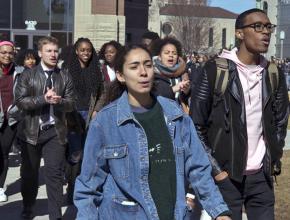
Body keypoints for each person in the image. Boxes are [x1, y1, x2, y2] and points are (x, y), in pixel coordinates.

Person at [74, 44, 231, 220]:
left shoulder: (176, 115)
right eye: (134, 67)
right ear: (120, 75)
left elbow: (199, 168)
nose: (143, 72)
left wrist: (219, 211)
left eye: (148, 65)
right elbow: (88, 186)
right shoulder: (105, 122)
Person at [190, 8, 289, 220]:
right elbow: (196, 125)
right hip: (226, 177)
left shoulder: (273, 73)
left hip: (261, 177)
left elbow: (281, 121)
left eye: (268, 27)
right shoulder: (215, 70)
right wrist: (217, 170)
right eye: (257, 26)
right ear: (239, 33)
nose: (266, 32)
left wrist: (272, 157)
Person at [15, 36, 75, 219]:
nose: (53, 54)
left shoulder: (64, 75)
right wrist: (43, 99)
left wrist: (59, 102)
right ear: (40, 53)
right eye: (49, 51)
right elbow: (20, 101)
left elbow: (72, 103)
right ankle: (28, 207)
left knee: (54, 175)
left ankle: (55, 215)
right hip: (30, 132)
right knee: (29, 175)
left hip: (54, 132)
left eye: (56, 51)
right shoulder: (27, 75)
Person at [62, 37, 103, 204]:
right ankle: (71, 188)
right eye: (83, 50)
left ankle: (83, 188)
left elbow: (102, 93)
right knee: (75, 154)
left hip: (90, 115)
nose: (86, 53)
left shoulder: (96, 69)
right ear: (77, 51)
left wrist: (97, 111)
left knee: (88, 155)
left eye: (89, 50)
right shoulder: (67, 69)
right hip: (73, 115)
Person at [0, 40, 18, 202]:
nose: (7, 55)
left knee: (4, 154)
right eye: (3, 52)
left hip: (10, 120)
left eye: (9, 53)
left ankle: (0, 187)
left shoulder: (17, 73)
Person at [151, 37, 190, 110]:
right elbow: (152, 96)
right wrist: (173, 90)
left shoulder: (184, 73)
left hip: (179, 114)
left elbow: (185, 98)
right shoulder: (152, 73)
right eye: (166, 53)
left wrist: (186, 91)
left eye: (174, 53)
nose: (171, 55)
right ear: (159, 57)